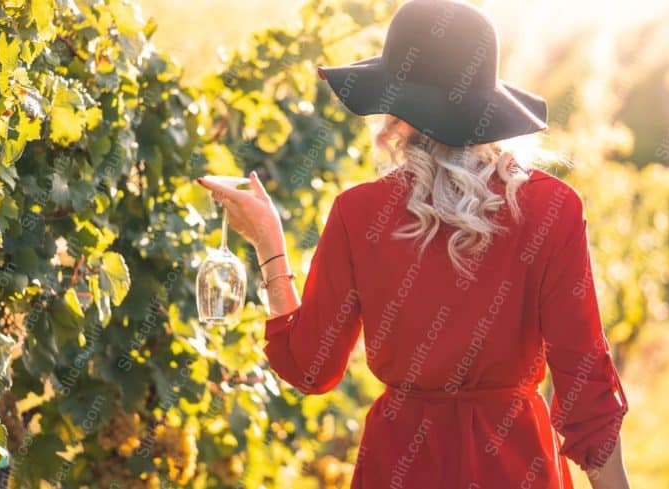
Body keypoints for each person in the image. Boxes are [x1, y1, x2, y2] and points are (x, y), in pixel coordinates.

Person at [197, 1, 631, 488]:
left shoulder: (359, 213)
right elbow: (584, 387)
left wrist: (267, 242)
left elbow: (310, 368)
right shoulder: (552, 208)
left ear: (395, 109)